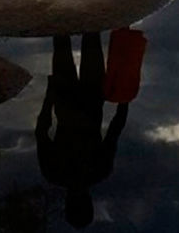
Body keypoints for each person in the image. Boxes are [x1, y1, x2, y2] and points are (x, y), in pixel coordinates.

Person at [36, 33, 129, 229]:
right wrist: (49, 96)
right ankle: (64, 5)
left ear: (89, 202)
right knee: (66, 39)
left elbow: (115, 129)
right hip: (70, 101)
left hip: (88, 100)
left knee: (89, 37)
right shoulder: (54, 174)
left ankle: (75, 5)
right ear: (67, 204)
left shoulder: (99, 171)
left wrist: (124, 99)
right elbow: (41, 132)